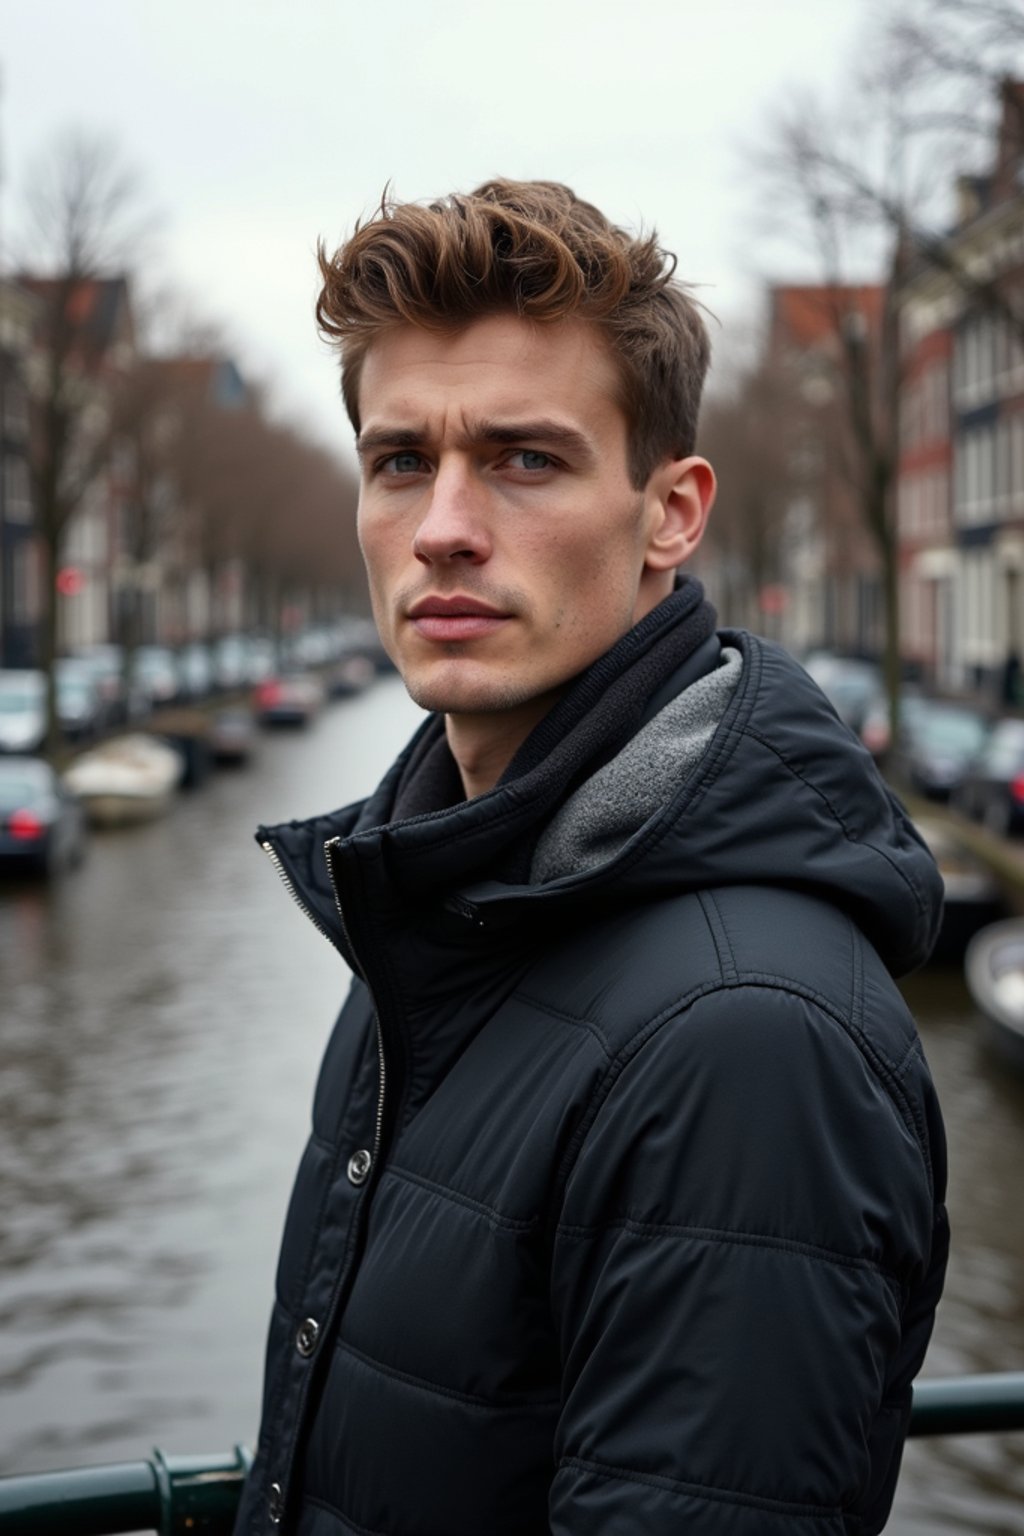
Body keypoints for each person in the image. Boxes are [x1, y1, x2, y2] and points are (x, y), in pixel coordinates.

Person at [236, 180, 948, 1536]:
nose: (443, 524)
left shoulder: (748, 1042)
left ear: (671, 514)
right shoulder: (433, 903)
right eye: (400, 462)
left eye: (524, 459)